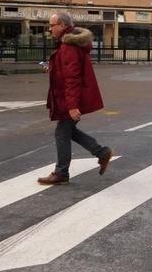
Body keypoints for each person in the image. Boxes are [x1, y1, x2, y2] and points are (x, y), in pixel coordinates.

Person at [38, 12, 113, 185]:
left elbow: (72, 77)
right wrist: (52, 67)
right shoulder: (68, 44)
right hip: (67, 98)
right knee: (67, 131)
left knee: (62, 132)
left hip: (69, 100)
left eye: (52, 25)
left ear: (63, 25)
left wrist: (72, 106)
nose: (50, 29)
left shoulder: (68, 47)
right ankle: (101, 152)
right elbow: (67, 70)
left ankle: (61, 172)